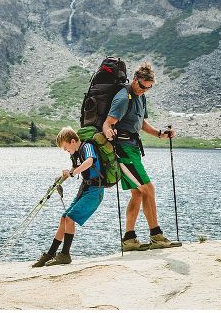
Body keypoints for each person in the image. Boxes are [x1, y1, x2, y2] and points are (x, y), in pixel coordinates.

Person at [102, 62, 179, 250]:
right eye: (142, 86)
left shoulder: (140, 97)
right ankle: (156, 236)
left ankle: (129, 239)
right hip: (122, 151)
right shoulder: (123, 97)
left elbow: (142, 123)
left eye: (148, 88)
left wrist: (160, 134)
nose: (144, 90)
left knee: (137, 193)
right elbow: (108, 123)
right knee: (148, 188)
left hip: (133, 150)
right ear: (135, 80)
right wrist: (108, 132)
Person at [32, 127, 104, 267]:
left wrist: (72, 173)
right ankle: (51, 253)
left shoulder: (87, 146)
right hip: (85, 188)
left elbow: (89, 162)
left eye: (66, 148)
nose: (66, 151)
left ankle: (65, 255)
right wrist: (61, 179)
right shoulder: (76, 154)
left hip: (95, 191)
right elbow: (73, 170)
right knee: (64, 218)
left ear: (72, 141)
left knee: (70, 218)